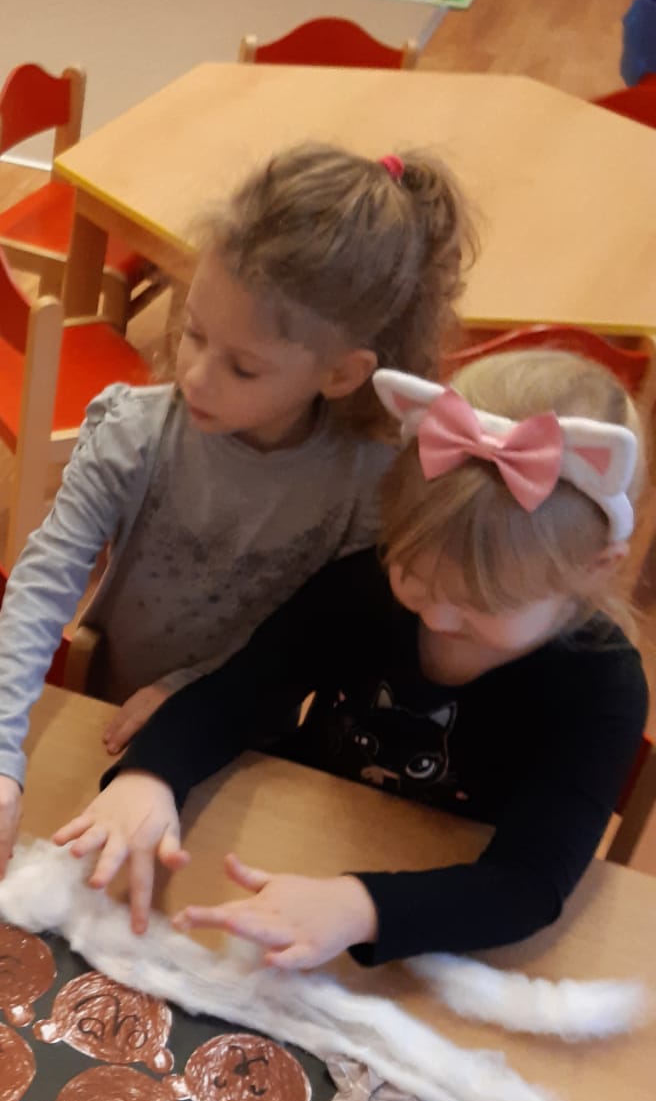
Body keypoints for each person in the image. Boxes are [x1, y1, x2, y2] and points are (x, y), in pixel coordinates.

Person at [0, 146, 476, 884]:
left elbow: (315, 644)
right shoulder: (136, 432)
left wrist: (191, 689)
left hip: (246, 753)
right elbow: (42, 584)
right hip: (100, 714)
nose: (195, 375)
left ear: (341, 373)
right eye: (193, 332)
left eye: (242, 365)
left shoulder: (369, 485)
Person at [55, 349, 648, 961]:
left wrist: (361, 907)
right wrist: (151, 775)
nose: (437, 618)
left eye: (480, 605)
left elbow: (527, 885)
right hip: (299, 838)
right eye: (414, 574)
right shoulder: (360, 586)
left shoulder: (602, 687)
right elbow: (237, 695)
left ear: (594, 568)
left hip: (430, 914)